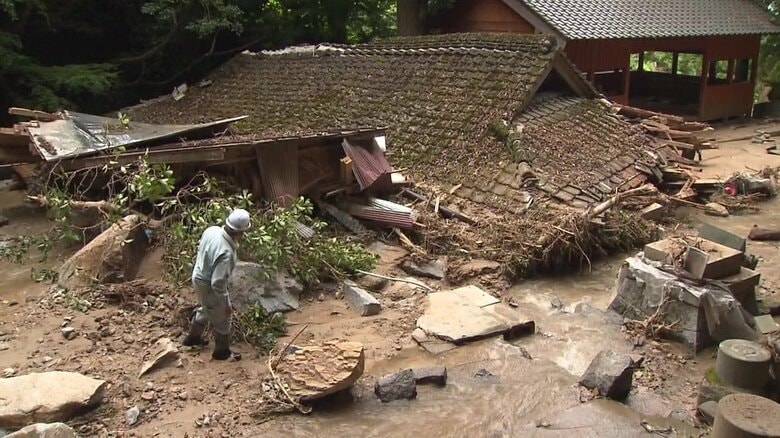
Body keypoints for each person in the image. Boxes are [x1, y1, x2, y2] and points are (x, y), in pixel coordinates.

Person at [180, 208, 250, 361]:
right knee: (224, 317)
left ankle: (192, 339)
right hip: (208, 284)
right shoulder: (226, 253)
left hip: (198, 276)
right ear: (241, 232)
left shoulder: (212, 230)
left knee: (206, 307)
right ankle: (221, 352)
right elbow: (217, 283)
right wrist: (226, 305)